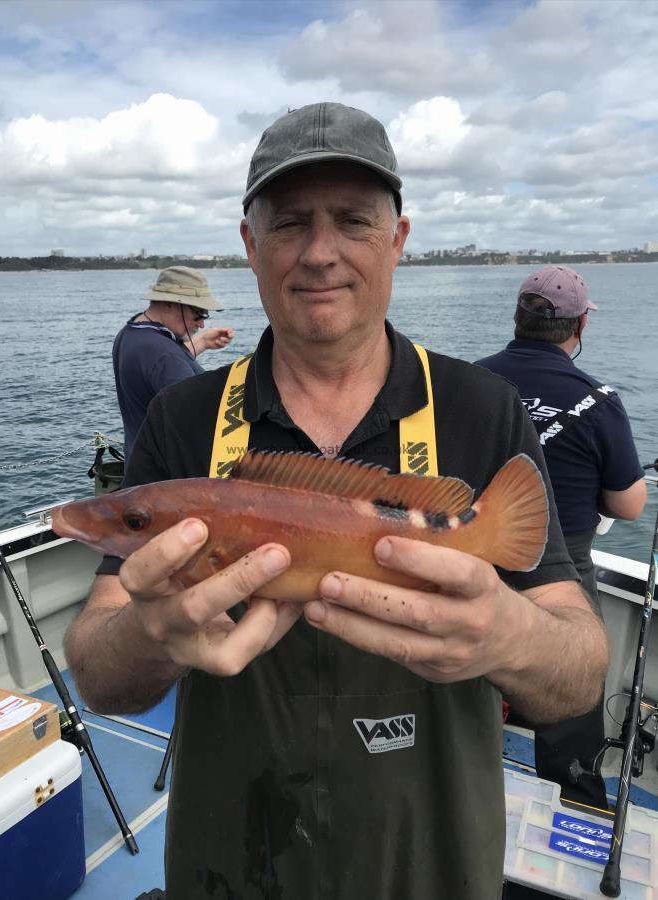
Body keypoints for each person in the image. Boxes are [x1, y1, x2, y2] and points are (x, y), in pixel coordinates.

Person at [65, 103, 609, 900]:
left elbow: (580, 673)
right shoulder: (183, 419)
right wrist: (147, 634)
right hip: (232, 852)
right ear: (250, 246)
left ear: (397, 239)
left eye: (352, 220)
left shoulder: (482, 407)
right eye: (289, 224)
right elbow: (96, 671)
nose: (319, 253)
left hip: (432, 856)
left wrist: (509, 634)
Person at [476, 265, 646, 809]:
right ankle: (572, 795)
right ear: (579, 328)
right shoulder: (598, 400)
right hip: (560, 563)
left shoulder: (466, 384)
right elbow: (629, 504)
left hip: (472, 554)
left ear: (516, 319)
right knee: (571, 677)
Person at [113, 265, 234, 459]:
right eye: (198, 313)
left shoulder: (132, 333)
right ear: (169, 304)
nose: (202, 323)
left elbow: (157, 368)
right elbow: (199, 424)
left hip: (139, 467)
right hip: (170, 478)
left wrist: (202, 342)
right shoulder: (165, 356)